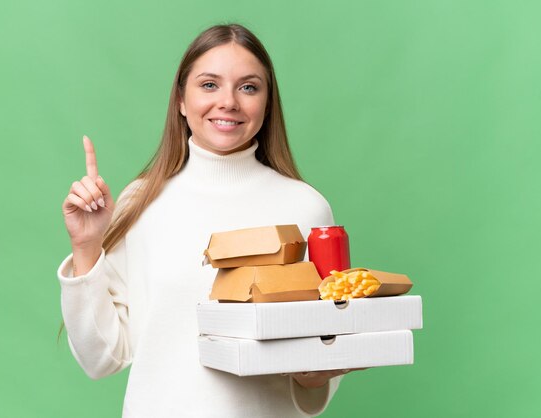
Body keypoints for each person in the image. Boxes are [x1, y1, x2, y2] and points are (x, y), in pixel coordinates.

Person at [57, 23, 359, 417]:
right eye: (209, 84)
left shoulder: (307, 208)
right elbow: (100, 358)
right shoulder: (141, 201)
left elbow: (327, 347)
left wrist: (316, 373)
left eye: (248, 87)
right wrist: (86, 248)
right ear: (181, 99)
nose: (229, 102)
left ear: (267, 103)